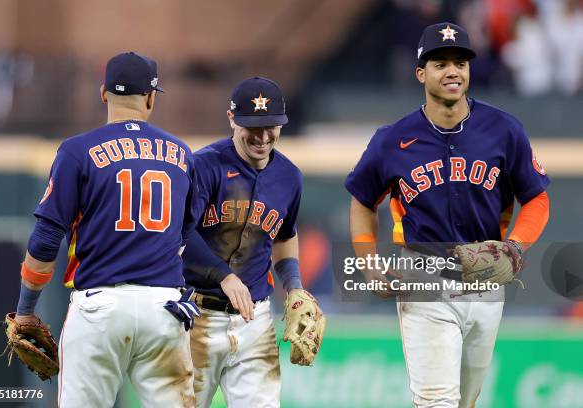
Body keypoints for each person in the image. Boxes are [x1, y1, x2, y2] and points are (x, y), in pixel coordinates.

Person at [346, 23, 550, 408]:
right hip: (424, 274)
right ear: (421, 73)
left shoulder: (504, 130)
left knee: (465, 400)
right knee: (437, 401)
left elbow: (537, 198)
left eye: (461, 62)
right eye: (440, 63)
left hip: (486, 275)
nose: (453, 71)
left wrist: (515, 247)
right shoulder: (393, 139)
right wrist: (368, 262)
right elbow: (361, 200)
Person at [12, 52, 198, 407]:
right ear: (150, 97)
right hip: (165, 307)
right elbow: (188, 237)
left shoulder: (76, 151)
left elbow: (47, 240)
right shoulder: (182, 153)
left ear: (103, 94)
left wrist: (25, 309)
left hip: (100, 307)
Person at [182, 77, 316, 407]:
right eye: (252, 126)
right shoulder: (204, 165)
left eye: (270, 125)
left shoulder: (289, 176)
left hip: (254, 321)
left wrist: (295, 287)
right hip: (196, 315)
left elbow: (285, 236)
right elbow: (181, 234)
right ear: (232, 119)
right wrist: (223, 276)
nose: (262, 136)